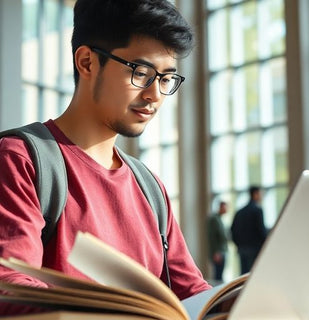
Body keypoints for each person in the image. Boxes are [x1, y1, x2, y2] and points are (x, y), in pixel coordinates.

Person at [0, 0, 211, 315]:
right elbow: (10, 285)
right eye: (141, 72)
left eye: (166, 78)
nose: (155, 94)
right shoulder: (22, 160)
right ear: (87, 62)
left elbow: (194, 296)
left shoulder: (150, 188)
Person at [231, 186, 267, 275]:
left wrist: (239, 244)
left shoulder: (240, 212)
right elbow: (261, 231)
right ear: (255, 194)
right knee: (254, 275)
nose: (261, 196)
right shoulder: (257, 211)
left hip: (242, 249)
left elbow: (233, 230)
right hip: (255, 249)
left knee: (243, 277)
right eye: (260, 194)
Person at [207, 201, 229, 283]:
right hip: (219, 252)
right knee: (218, 276)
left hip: (222, 250)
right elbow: (212, 237)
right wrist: (216, 252)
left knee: (220, 274)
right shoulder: (214, 219)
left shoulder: (220, 219)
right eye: (225, 207)